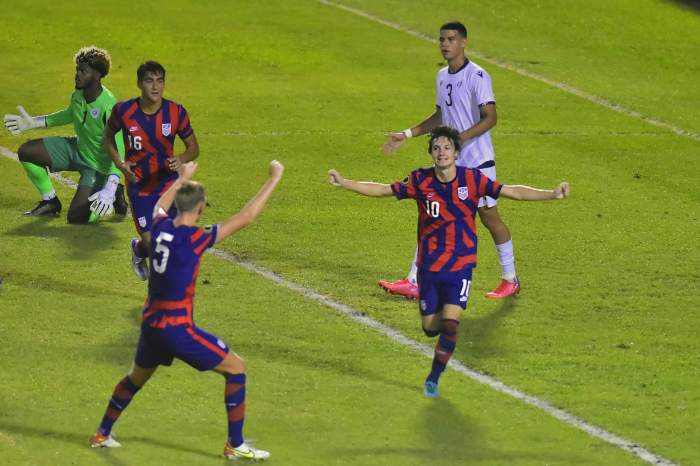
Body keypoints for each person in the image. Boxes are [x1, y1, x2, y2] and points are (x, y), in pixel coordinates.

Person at [329, 126, 568, 397]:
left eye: (446, 148)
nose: (441, 152)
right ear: (431, 153)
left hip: (461, 264)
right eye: (436, 148)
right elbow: (383, 190)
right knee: (431, 327)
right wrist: (345, 183)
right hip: (430, 267)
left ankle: (433, 378)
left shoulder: (473, 180)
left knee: (451, 323)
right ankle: (441, 328)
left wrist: (552, 193)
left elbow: (513, 191)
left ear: (456, 153)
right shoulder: (420, 180)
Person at [89, 159, 284, 461]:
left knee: (134, 379)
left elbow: (158, 208)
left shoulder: (160, 226)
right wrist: (274, 178)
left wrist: (181, 177)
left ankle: (102, 433)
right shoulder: (195, 239)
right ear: (202, 208)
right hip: (176, 329)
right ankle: (235, 444)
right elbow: (247, 216)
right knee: (236, 368)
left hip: (151, 325)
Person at [381, 21, 519, 299]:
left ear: (463, 42)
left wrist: (461, 139)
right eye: (442, 39)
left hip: (478, 163)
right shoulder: (442, 76)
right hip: (451, 164)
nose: (445, 44)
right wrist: (407, 134)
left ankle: (510, 278)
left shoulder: (478, 76)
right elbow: (440, 116)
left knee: (490, 218)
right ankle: (415, 281)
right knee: (432, 214)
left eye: (451, 39)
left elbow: (490, 117)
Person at [3, 46, 127, 222]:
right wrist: (33, 122)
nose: (77, 74)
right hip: (77, 149)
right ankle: (50, 202)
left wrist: (112, 184)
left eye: (83, 71)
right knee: (27, 152)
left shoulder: (109, 107)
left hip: (98, 166)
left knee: (77, 217)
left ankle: (114, 194)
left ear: (97, 75)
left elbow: (119, 147)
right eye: (77, 69)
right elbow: (70, 114)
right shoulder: (79, 93)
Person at [103, 60, 199, 281]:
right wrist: (119, 163)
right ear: (139, 84)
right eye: (149, 81)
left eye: (160, 81)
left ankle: (160, 292)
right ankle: (140, 250)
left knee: (170, 243)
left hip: (168, 184)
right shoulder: (124, 111)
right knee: (151, 243)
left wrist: (181, 158)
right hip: (140, 187)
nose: (155, 87)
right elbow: (107, 136)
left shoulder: (176, 112)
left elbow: (193, 148)